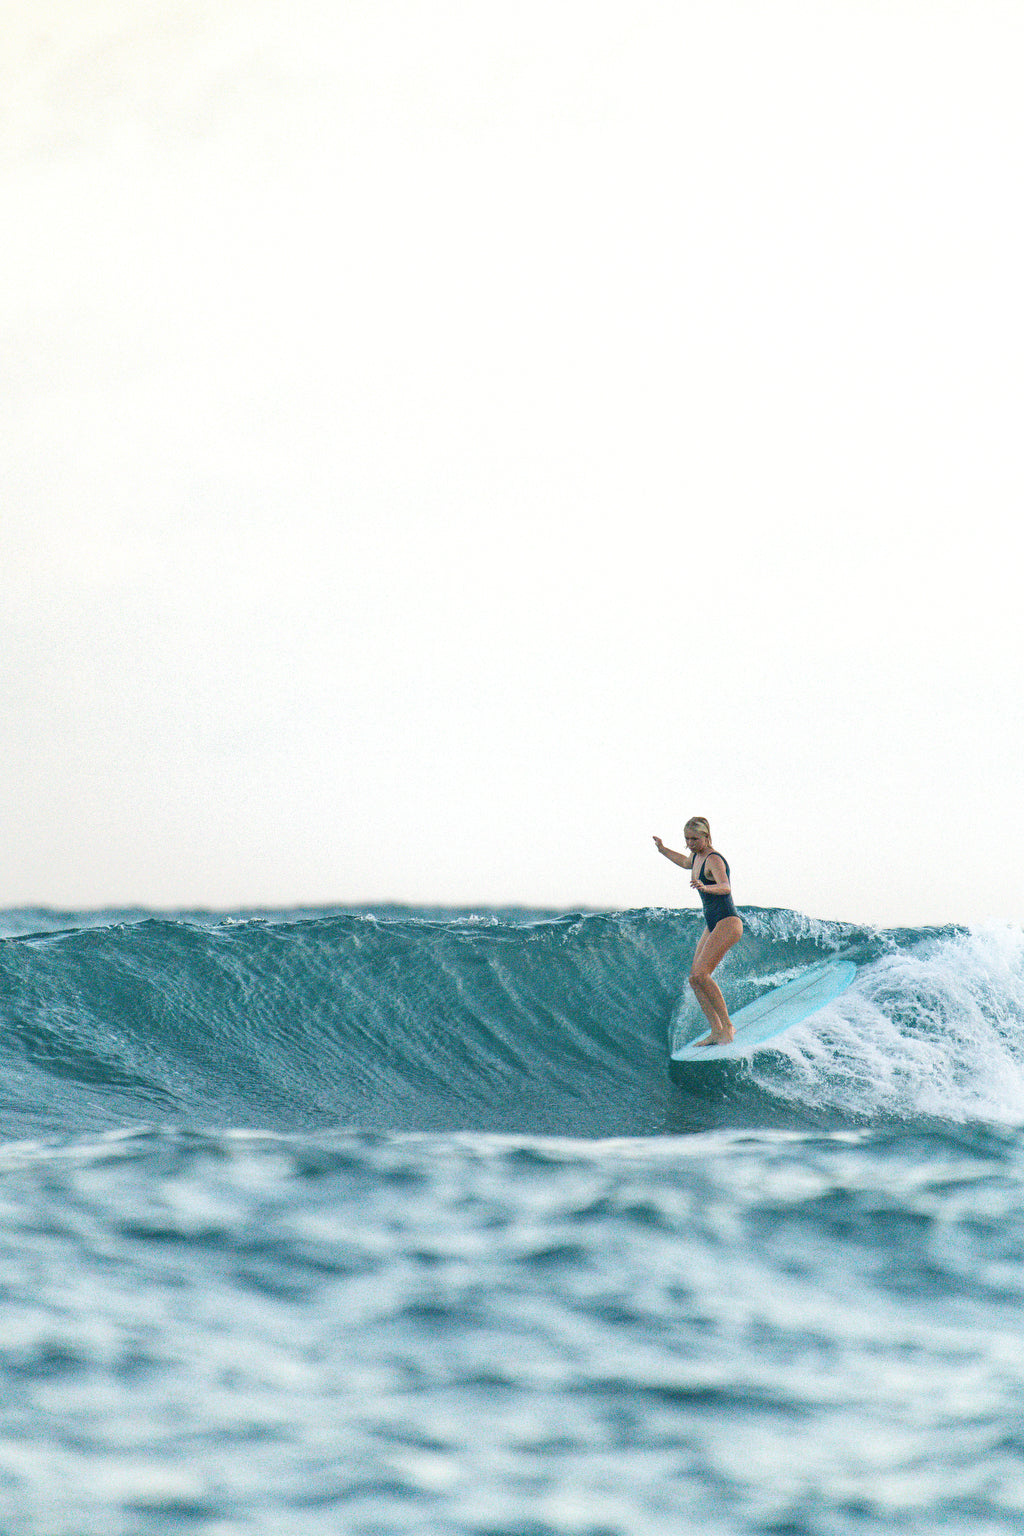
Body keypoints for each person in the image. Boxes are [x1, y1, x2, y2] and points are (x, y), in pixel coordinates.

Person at [653, 817, 743, 1045]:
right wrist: (663, 850)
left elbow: (725, 886)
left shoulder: (714, 859)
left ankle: (728, 1027)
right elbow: (684, 862)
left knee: (702, 974)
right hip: (713, 922)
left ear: (706, 836)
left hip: (728, 921)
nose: (690, 843)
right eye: (687, 839)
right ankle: (716, 1030)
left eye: (695, 838)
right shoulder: (696, 857)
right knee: (695, 979)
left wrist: (705, 887)